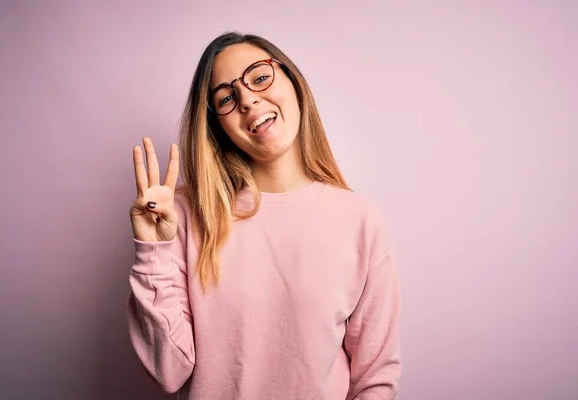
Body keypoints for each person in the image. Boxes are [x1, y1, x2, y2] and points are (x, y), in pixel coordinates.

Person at [126, 31, 402, 400]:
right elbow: (170, 371)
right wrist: (151, 253)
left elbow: (375, 377)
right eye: (226, 98)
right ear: (216, 125)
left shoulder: (360, 220)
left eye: (259, 77)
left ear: (293, 81)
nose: (247, 100)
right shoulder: (186, 215)